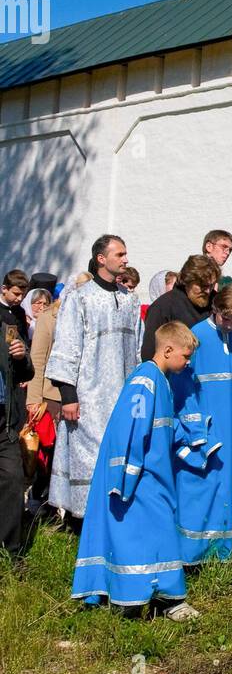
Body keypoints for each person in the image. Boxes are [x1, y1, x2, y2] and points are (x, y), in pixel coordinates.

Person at [71, 321, 206, 619]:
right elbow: (130, 430)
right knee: (138, 537)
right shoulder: (144, 381)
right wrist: (126, 476)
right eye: (185, 356)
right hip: (141, 476)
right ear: (167, 349)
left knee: (155, 535)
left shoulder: (161, 381)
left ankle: (155, 595)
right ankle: (139, 600)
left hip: (156, 477)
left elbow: (165, 429)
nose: (187, 363)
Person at [47, 236, 141, 520]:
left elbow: (137, 350)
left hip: (121, 396)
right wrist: (68, 396)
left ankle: (113, 520)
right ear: (101, 258)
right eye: (120, 254)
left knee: (119, 454)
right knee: (87, 461)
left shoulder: (129, 301)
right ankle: (81, 525)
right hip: (88, 396)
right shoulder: (80, 297)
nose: (126, 259)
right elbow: (66, 346)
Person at [171, 283, 232, 563]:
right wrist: (195, 426)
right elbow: (184, 385)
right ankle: (193, 553)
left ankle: (221, 551)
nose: (229, 325)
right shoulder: (197, 335)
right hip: (207, 427)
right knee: (202, 487)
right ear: (215, 309)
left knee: (229, 486)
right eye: (225, 317)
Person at [140, 255, 218, 361]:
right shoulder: (163, 307)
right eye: (203, 286)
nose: (208, 291)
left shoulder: (216, 302)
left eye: (211, 286)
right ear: (187, 281)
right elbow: (150, 354)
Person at [25, 290, 62, 509]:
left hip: (76, 397)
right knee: (46, 450)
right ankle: (38, 500)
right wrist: (34, 399)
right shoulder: (49, 319)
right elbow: (37, 359)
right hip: (50, 396)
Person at [0, 318, 34, 553]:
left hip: (5, 422)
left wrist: (22, 357)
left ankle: (9, 550)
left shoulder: (7, 331)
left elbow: (27, 373)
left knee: (13, 479)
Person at [0, 270, 30, 342]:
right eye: (16, 294)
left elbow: (24, 338)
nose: (20, 298)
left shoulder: (20, 311)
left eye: (23, 295)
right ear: (4, 289)